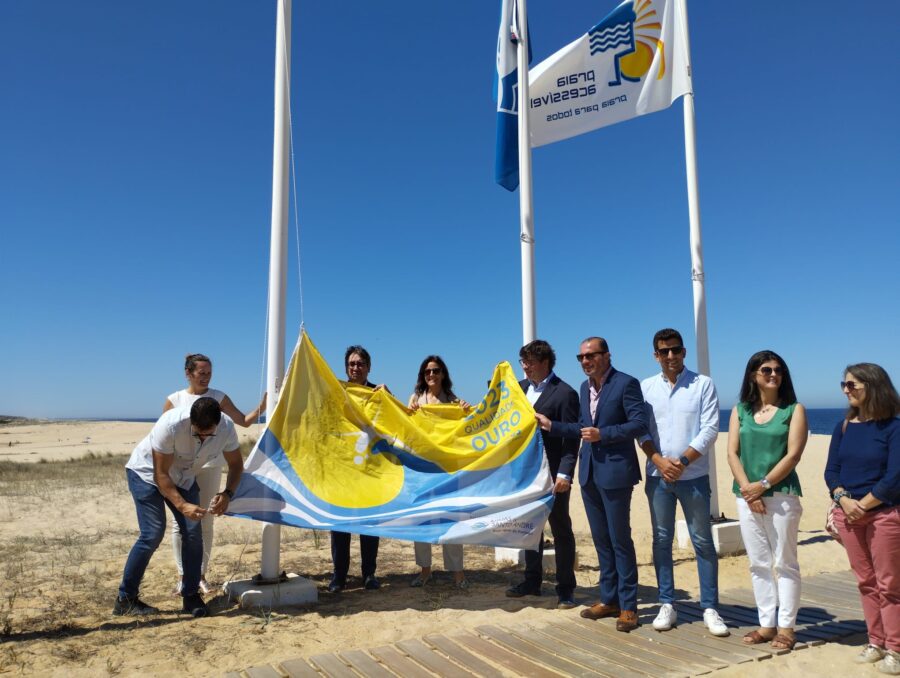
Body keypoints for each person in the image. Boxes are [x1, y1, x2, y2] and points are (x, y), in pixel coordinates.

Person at [534, 336, 647, 632]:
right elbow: (580, 428)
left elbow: (638, 424)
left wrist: (603, 434)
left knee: (620, 540)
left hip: (616, 474)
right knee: (601, 541)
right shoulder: (585, 388)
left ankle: (629, 607)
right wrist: (551, 425)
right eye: (581, 357)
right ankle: (608, 599)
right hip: (589, 475)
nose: (586, 361)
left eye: (591, 356)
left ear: (606, 356)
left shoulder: (626, 383)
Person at [114, 397, 243, 618]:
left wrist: (227, 494)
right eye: (197, 433)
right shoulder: (170, 424)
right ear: (190, 421)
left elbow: (236, 464)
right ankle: (125, 599)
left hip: (184, 477)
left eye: (208, 434)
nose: (203, 438)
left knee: (193, 533)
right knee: (152, 534)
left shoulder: (227, 428)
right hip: (146, 474)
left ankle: (191, 595)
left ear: (218, 423)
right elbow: (160, 475)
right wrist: (182, 505)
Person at [638, 328, 728, 636]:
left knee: (702, 541)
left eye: (675, 350)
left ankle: (710, 607)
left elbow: (710, 428)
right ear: (656, 355)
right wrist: (660, 462)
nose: (671, 356)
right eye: (664, 351)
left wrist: (683, 461)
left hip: (694, 477)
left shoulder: (703, 384)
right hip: (657, 476)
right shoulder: (646, 387)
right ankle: (667, 603)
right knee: (661, 541)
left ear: (684, 351)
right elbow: (642, 431)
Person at [164, 353, 266, 595]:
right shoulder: (174, 400)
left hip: (210, 466)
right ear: (188, 373)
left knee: (206, 520)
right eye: (201, 373)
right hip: (180, 469)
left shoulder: (219, 397)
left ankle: (200, 575)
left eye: (209, 373)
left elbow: (243, 421)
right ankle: (182, 575)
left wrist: (262, 406)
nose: (206, 377)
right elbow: (164, 437)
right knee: (182, 522)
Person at [726, 350, 807, 651]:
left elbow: (793, 454)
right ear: (753, 375)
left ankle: (786, 627)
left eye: (778, 370)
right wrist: (748, 490)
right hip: (746, 496)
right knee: (758, 563)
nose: (773, 374)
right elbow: (732, 452)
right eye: (766, 370)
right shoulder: (740, 410)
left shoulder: (794, 410)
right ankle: (766, 625)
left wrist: (762, 486)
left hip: (781, 496)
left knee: (785, 563)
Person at [824, 363, 900, 673]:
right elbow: (831, 471)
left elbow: (895, 476)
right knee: (866, 583)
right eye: (844, 384)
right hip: (849, 516)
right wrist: (843, 499)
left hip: (884, 515)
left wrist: (862, 505)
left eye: (852, 385)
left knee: (890, 584)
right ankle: (876, 642)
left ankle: (895, 648)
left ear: (873, 386)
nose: (846, 390)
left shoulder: (894, 427)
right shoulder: (843, 427)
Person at [506, 339, 581, 609]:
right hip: (525, 473)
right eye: (522, 362)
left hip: (553, 474)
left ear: (545, 362)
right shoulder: (519, 389)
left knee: (561, 530)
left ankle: (565, 589)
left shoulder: (565, 393)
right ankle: (532, 581)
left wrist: (565, 474)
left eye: (530, 362)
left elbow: (572, 438)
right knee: (529, 529)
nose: (525, 368)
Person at [407, 355, 471, 589]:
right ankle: (425, 570)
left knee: (451, 521)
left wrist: (464, 412)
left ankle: (458, 573)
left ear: (443, 373)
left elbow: (465, 430)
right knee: (421, 523)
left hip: (447, 472)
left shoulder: (454, 402)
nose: (431, 375)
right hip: (422, 471)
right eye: (427, 372)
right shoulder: (415, 399)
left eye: (435, 371)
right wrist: (409, 411)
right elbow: (406, 430)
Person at [328, 345, 386, 593]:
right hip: (342, 470)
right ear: (346, 368)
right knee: (340, 526)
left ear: (368, 367)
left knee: (369, 526)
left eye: (360, 363)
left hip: (369, 470)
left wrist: (389, 397)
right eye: (351, 364)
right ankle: (339, 576)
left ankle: (369, 574)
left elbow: (397, 421)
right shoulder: (336, 391)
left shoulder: (379, 393)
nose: (356, 368)